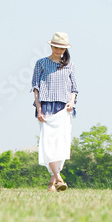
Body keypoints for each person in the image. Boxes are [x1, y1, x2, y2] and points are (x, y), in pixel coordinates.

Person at [31, 32, 78, 192]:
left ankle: (52, 184)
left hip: (64, 108)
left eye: (62, 48)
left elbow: (74, 88)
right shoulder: (41, 63)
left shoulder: (69, 65)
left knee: (62, 145)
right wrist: (39, 109)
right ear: (51, 46)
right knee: (48, 144)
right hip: (46, 107)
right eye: (56, 47)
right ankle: (59, 178)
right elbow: (35, 87)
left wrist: (71, 102)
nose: (59, 51)